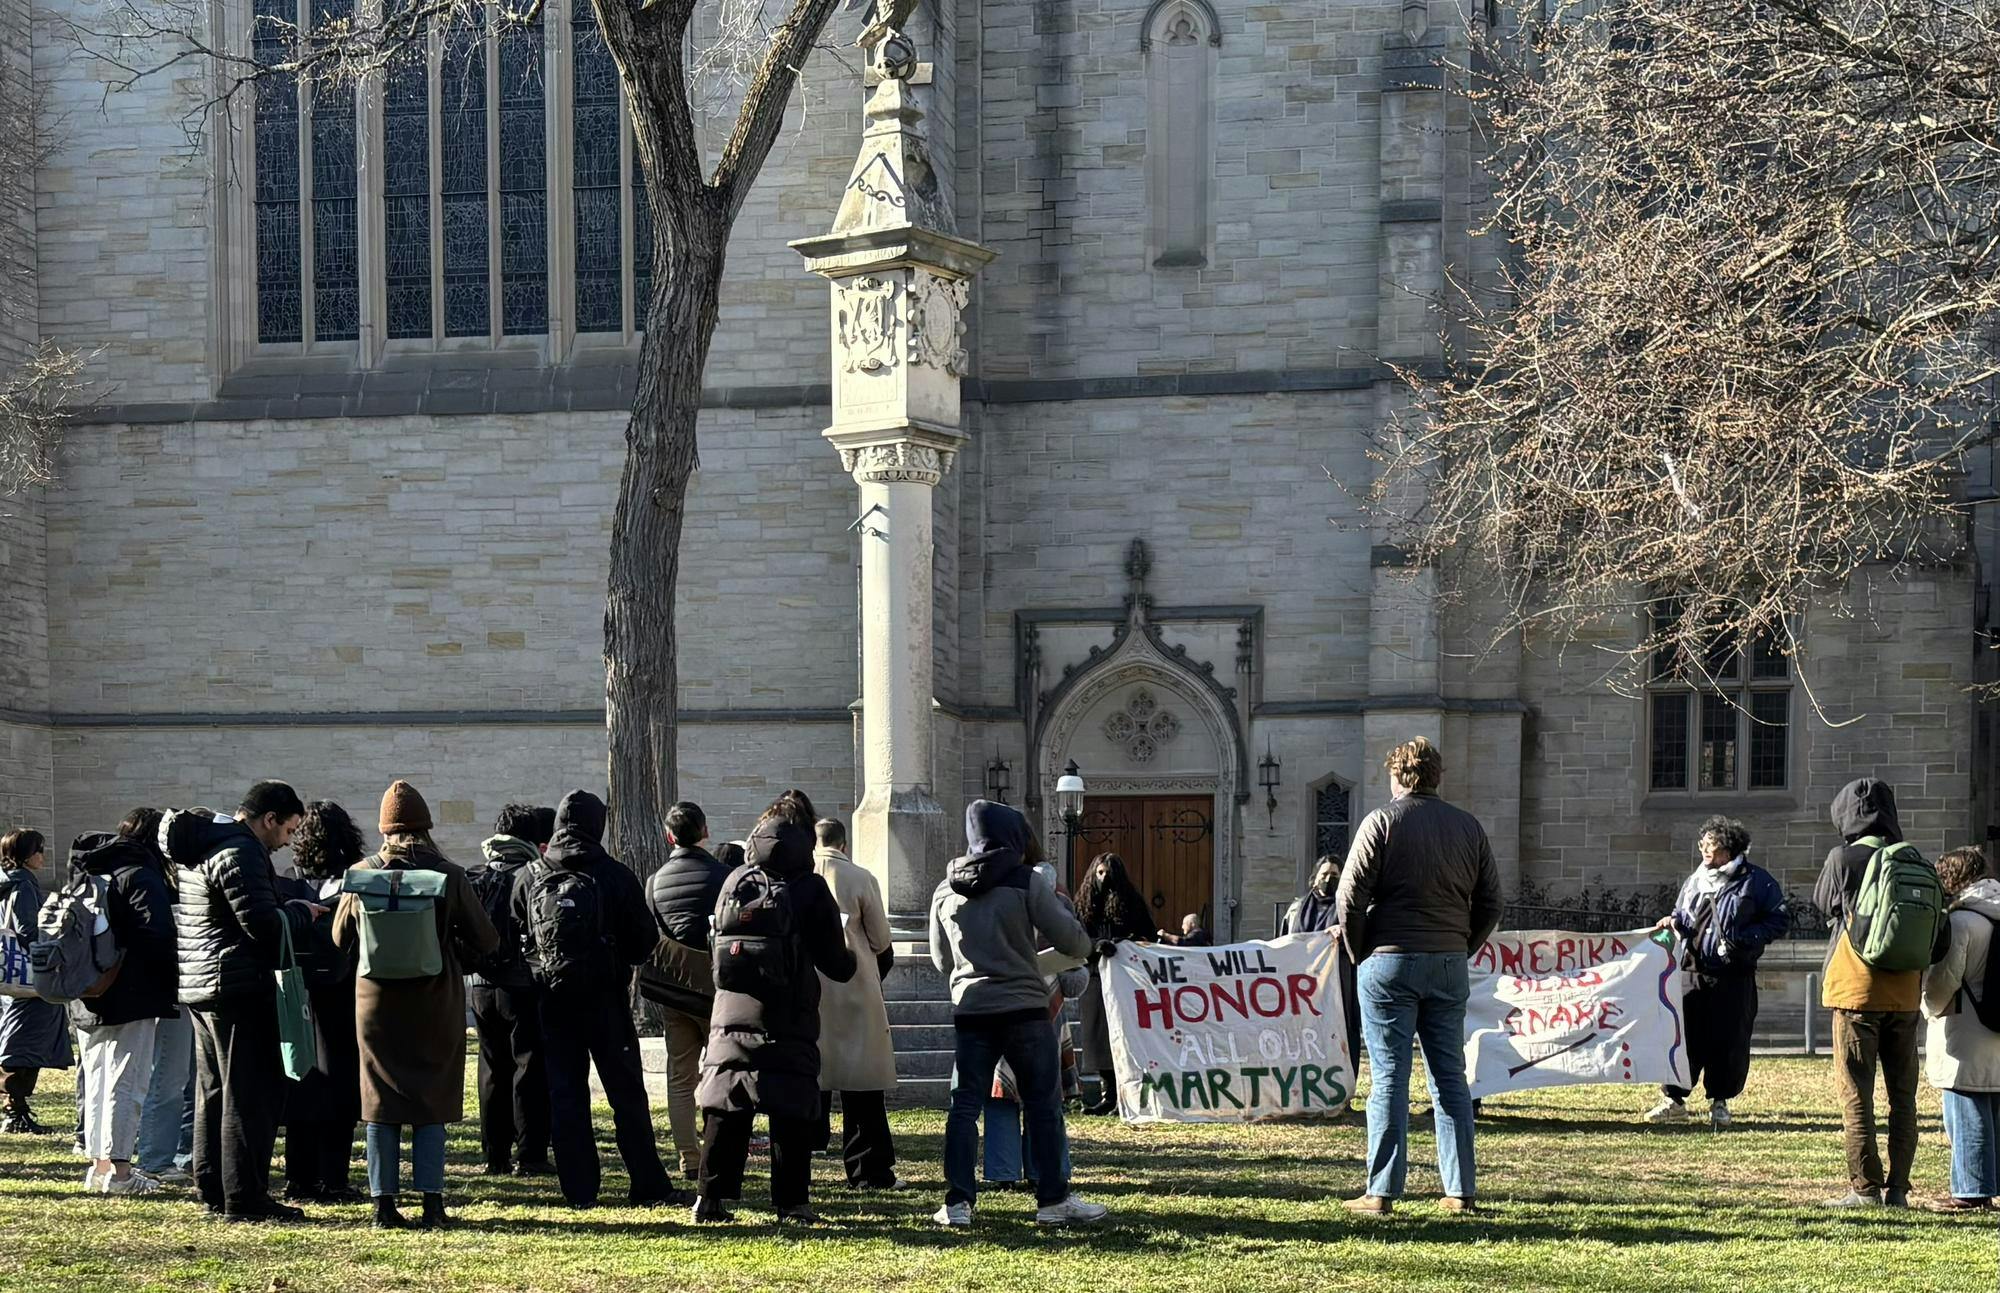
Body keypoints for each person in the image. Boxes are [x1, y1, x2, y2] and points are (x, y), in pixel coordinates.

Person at [1335, 736, 1502, 1215]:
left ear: (1396, 776)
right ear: (1436, 777)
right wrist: (1461, 945)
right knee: (1450, 1076)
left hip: (1389, 960)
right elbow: (1492, 900)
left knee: (1389, 1076)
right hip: (1448, 961)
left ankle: (1381, 1191)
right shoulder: (1467, 827)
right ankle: (1460, 1191)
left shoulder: (1382, 822)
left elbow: (1349, 898)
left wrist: (1360, 951)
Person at [930, 799, 1104, 1228]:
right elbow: (1074, 943)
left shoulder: (944, 889)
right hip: (1025, 1007)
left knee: (964, 1106)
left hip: (971, 1009)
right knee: (1043, 1104)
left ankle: (957, 1203)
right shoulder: (1026, 882)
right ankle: (1052, 1199)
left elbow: (940, 960)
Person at [333, 781, 499, 1230]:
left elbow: (338, 938)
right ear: (426, 827)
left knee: (379, 1102)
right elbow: (486, 939)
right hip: (435, 1001)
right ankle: (432, 1204)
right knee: (431, 1099)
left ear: (384, 829)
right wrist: (451, 954)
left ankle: (383, 1206)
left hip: (375, 1003)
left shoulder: (362, 872)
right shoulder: (449, 874)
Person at [515, 789, 685, 1210]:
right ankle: (647, 1183)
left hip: (552, 1000)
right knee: (626, 1095)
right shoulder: (614, 874)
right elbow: (642, 939)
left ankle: (579, 1189)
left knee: (566, 1094)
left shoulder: (531, 875)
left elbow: (513, 936)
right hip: (606, 998)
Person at [693, 793, 855, 1225]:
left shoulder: (735, 880)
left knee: (727, 1101)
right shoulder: (809, 888)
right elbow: (836, 965)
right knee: (791, 1107)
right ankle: (792, 1202)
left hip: (732, 1009)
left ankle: (710, 1198)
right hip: (789, 1011)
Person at [166, 782, 315, 1223]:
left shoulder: (203, 849)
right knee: (248, 1095)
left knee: (213, 1091)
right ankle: (244, 1197)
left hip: (203, 984)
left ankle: (212, 1185)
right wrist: (303, 913)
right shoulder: (241, 851)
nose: (287, 841)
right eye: (288, 830)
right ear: (268, 819)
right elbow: (262, 925)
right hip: (238, 987)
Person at [1814, 777, 1949, 1208]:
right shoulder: (1914, 860)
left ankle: (1865, 1188)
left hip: (1856, 991)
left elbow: (1823, 904)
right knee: (1903, 1095)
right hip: (1906, 993)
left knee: (1856, 1092)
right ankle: (1899, 1190)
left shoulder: (1842, 858)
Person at [1642, 816, 1787, 1128]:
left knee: (1728, 1039)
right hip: (1691, 971)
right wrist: (1673, 922)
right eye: (1703, 844)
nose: (1706, 851)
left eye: (1714, 846)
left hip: (1733, 975)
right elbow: (1684, 915)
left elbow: (1778, 920)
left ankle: (1720, 1103)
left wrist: (1745, 940)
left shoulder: (1756, 882)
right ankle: (1675, 1100)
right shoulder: (1695, 880)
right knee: (1685, 1037)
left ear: (1730, 850)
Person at [67, 823, 178, 1195]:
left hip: (86, 991)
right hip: (131, 993)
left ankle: (99, 1167)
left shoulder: (87, 871)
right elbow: (157, 934)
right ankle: (121, 1173)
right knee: (126, 1082)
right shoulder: (139, 875)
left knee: (97, 1082)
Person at [279, 800, 367, 1203]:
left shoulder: (291, 882)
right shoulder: (355, 880)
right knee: (341, 1081)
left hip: (299, 986)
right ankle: (333, 1177)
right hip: (342, 988)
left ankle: (299, 1176)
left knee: (301, 1078)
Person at [811, 816, 904, 1190]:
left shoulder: (801, 875)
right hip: (854, 983)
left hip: (811, 987)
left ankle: (802, 1159)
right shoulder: (860, 878)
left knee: (810, 1078)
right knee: (862, 1085)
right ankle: (867, 1168)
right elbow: (881, 939)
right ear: (844, 844)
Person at [640, 800, 728, 1182]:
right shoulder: (726, 876)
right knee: (721, 1071)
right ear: (705, 832)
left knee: (680, 1076)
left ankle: (688, 1158)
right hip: (716, 988)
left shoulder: (654, 882)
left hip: (674, 991)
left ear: (669, 836)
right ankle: (718, 1151)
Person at [467, 802, 554, 1177]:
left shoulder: (477, 873)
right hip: (521, 984)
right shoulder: (534, 874)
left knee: (490, 1067)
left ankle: (494, 1155)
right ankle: (530, 1154)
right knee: (528, 1067)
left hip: (480, 984)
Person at [1920, 847, 2000, 1212]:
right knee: (1993, 1108)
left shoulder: (1964, 921)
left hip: (1966, 1023)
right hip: (1996, 1024)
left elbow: (1944, 980)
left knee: (1965, 1107)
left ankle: (1970, 1190)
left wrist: (1928, 1007)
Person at [125, 807, 195, 1185]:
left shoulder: (141, 875)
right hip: (172, 987)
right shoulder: (152, 879)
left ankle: (176, 1151)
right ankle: (155, 1156)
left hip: (167, 986)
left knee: (176, 1073)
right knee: (169, 1073)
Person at [0, 830, 73, 1136]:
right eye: (40, 850)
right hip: (30, 979)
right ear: (27, 854)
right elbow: (29, 930)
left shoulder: (11, 882)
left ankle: (15, 1108)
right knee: (24, 1044)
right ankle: (14, 1110)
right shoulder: (24, 885)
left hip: (15, 979)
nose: (44, 856)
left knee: (22, 1040)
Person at [1071, 852, 1154, 1115]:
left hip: (1126, 979)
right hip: (1095, 977)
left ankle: (1127, 1094)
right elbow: (1074, 936)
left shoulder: (1132, 903)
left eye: (1108, 873)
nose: (1104, 878)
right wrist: (1094, 946)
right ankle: (1109, 1094)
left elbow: (1148, 935)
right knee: (1099, 1038)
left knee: (1125, 1036)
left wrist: (1122, 943)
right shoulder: (1083, 904)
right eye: (1100, 873)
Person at [1283, 855, 1361, 1119]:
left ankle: (1340, 1093)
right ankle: (1302, 1092)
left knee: (1341, 1034)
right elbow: (1282, 944)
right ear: (1314, 877)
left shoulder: (1348, 907)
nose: (1330, 879)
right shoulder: (1296, 910)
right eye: (1325, 873)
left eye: (1336, 874)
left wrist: (1345, 931)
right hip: (1302, 986)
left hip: (1339, 982)